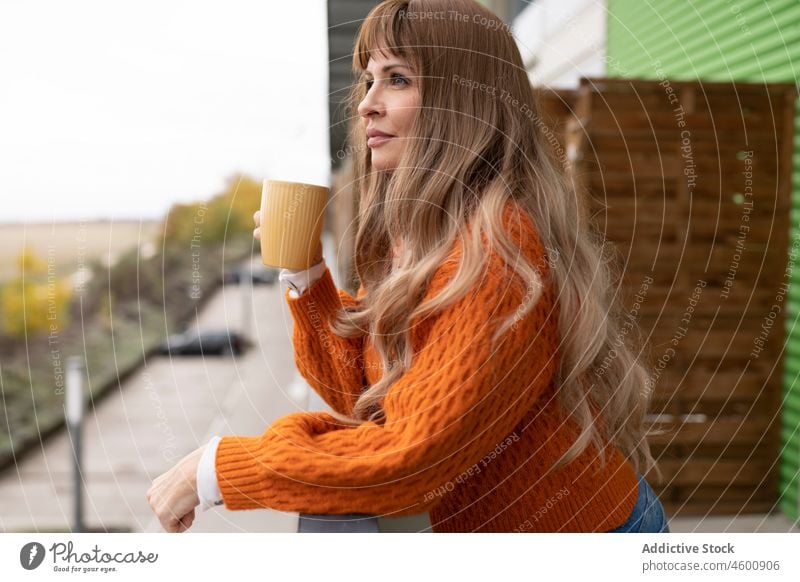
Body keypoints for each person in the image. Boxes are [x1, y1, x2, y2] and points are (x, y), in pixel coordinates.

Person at [146, 0, 669, 533]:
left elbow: (410, 457)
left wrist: (215, 469)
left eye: (397, 79)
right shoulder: (429, 236)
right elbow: (371, 398)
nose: (367, 104)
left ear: (462, 101)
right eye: (367, 80)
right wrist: (305, 278)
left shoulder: (493, 250)